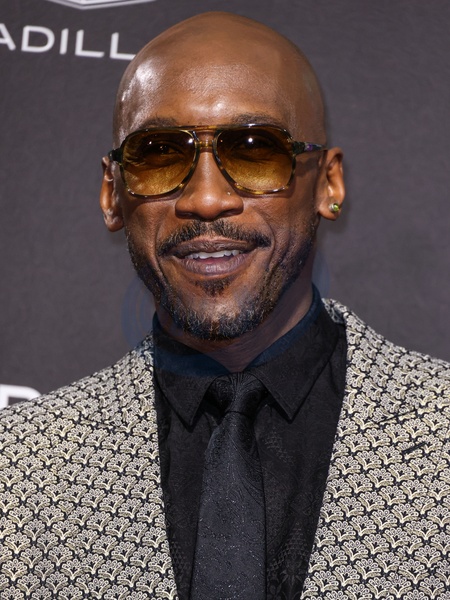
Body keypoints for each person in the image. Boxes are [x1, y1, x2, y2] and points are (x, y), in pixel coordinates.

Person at [0, 11, 449, 600]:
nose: (207, 199)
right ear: (113, 194)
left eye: (256, 150)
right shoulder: (20, 466)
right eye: (159, 154)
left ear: (328, 184)